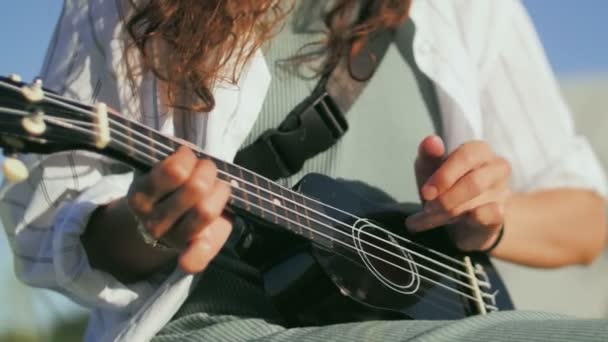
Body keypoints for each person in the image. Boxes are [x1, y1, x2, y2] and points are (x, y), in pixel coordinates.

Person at [1, 0, 607, 341]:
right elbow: (50, 226)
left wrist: (491, 222)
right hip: (221, 324)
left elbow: (589, 218)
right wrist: (151, 230)